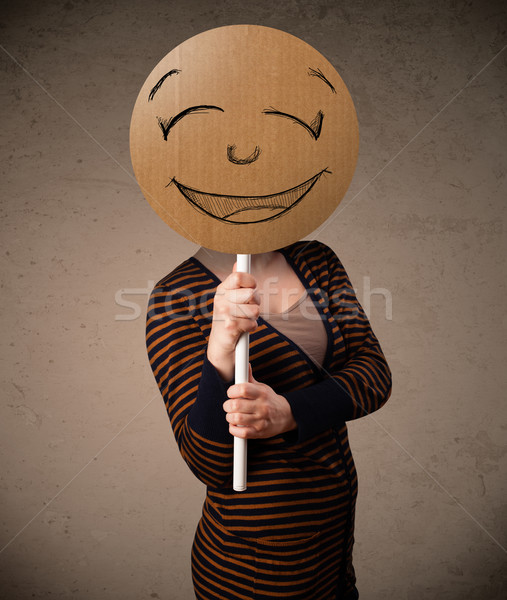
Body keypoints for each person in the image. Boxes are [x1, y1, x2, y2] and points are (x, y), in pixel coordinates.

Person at [146, 239, 392, 600]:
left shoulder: (316, 260)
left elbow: (374, 374)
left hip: (334, 545)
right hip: (257, 563)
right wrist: (220, 353)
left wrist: (288, 413)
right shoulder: (175, 296)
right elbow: (209, 464)